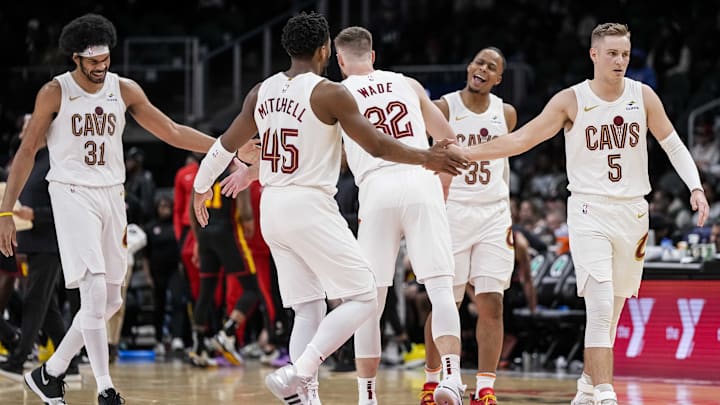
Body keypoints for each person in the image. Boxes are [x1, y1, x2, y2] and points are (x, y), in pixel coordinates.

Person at [191, 12, 466, 405]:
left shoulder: (260, 92)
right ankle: (299, 372)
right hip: (311, 205)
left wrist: (202, 187)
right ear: (324, 50)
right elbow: (377, 146)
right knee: (363, 298)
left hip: (274, 206)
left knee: (308, 308)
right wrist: (427, 158)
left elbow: (224, 145)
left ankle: (308, 397)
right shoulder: (331, 93)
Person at [464, 23, 709, 405]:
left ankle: (586, 385)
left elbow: (673, 144)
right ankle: (607, 393)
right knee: (598, 300)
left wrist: (695, 186)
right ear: (594, 54)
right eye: (612, 53)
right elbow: (522, 139)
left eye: (625, 54)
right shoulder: (571, 100)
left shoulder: (643, 96)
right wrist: (467, 153)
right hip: (588, 208)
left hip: (633, 213)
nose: (620, 61)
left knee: (613, 307)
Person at [0, 14, 222, 405]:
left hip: (111, 194)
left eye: (106, 58)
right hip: (71, 193)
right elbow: (26, 151)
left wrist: (225, 147)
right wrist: (5, 212)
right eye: (94, 61)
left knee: (111, 300)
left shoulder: (124, 88)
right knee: (94, 290)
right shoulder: (55, 92)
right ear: (76, 58)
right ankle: (105, 387)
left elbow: (170, 130)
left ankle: (49, 374)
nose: (102, 66)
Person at [332, 26, 466, 405]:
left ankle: (367, 396)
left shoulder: (337, 94)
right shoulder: (406, 83)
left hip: (376, 189)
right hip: (420, 179)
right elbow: (447, 138)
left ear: (340, 61)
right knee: (440, 290)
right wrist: (443, 185)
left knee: (368, 302)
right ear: (372, 56)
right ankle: (451, 379)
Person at [420, 46, 517, 405]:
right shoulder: (444, 107)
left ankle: (486, 388)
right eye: (478, 62)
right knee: (446, 303)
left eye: (491, 67)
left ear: (498, 78)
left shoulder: (506, 113)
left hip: (493, 214)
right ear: (468, 66)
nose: (482, 69)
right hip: (452, 212)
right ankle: (433, 383)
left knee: (492, 302)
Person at [0, 114, 79, 382]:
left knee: (35, 301)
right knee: (47, 309)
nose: (24, 131)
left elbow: (68, 206)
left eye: (29, 127)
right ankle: (73, 361)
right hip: (31, 242)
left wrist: (35, 214)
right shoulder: (29, 162)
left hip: (50, 243)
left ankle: (18, 359)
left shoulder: (56, 161)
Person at [189, 167, 258, 367]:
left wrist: (197, 239)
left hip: (205, 234)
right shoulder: (236, 169)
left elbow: (192, 207)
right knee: (252, 289)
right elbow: (244, 209)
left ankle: (198, 348)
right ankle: (227, 332)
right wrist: (248, 221)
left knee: (206, 291)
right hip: (227, 233)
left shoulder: (205, 170)